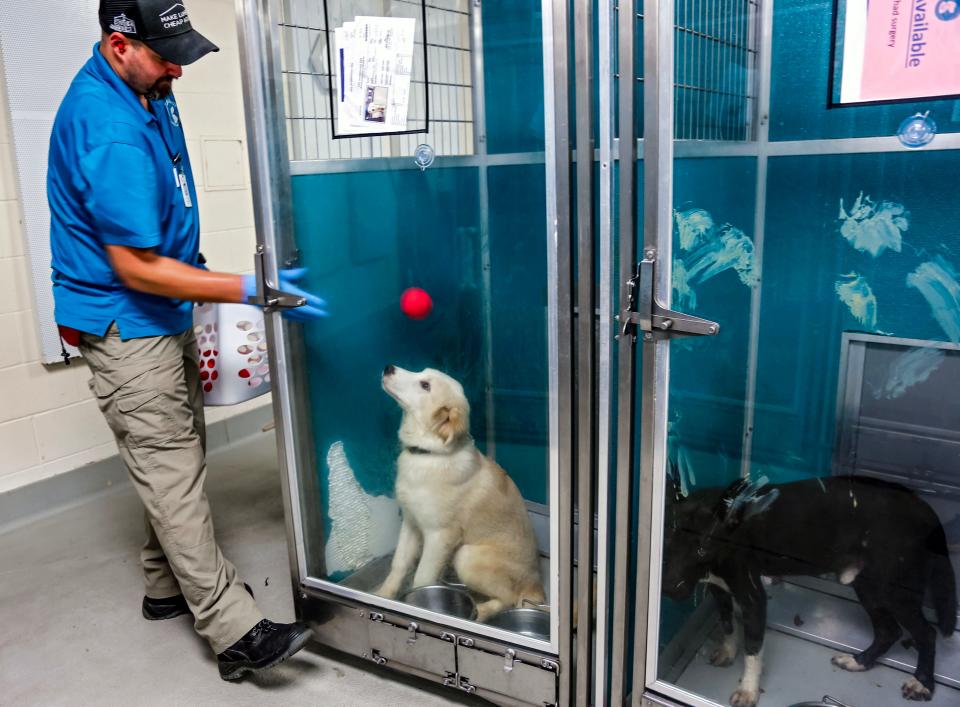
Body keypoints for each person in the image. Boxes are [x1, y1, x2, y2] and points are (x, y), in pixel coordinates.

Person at [47, 0, 326, 681]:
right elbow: (135, 264)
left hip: (166, 305)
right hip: (125, 319)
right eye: (165, 53)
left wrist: (200, 285)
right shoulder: (107, 126)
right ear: (117, 45)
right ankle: (234, 633)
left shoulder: (147, 84)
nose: (178, 66)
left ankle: (164, 584)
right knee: (171, 466)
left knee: (177, 453)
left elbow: (167, 212)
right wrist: (246, 289)